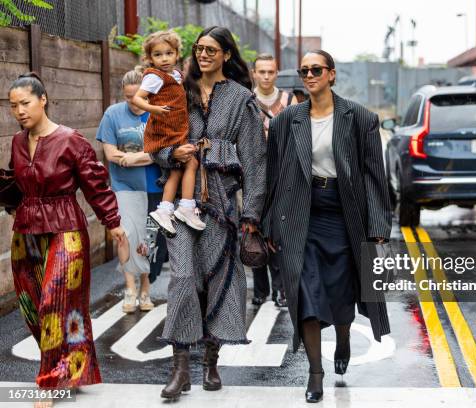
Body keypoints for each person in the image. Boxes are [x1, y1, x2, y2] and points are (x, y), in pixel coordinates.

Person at [263, 50, 392, 403]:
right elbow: (273, 176)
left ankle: (345, 336)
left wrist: (379, 225)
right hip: (301, 215)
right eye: (304, 70)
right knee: (306, 294)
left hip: (344, 215)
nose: (309, 75)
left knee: (341, 293)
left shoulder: (360, 118)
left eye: (316, 69)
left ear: (332, 74)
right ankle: (315, 373)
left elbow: (374, 176)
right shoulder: (286, 121)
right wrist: (268, 222)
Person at [151, 26, 266, 400]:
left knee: (217, 277)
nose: (203, 55)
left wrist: (251, 213)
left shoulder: (242, 99)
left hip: (221, 202)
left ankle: (211, 363)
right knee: (182, 277)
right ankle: (180, 368)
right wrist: (172, 155)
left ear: (226, 55)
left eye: (211, 50)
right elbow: (155, 141)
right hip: (180, 204)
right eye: (199, 49)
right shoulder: (177, 90)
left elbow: (254, 159)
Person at [7, 73, 127, 403]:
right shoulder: (17, 142)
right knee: (32, 307)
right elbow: (18, 185)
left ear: (43, 100)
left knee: (53, 304)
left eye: (25, 103)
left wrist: (113, 224)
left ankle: (50, 381)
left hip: (66, 230)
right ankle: (74, 367)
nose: (19, 111)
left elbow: (96, 186)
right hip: (26, 231)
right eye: (13, 105)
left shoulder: (71, 140)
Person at [97, 67, 164, 313]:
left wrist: (131, 158)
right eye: (128, 97)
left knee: (148, 237)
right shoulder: (113, 115)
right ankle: (129, 288)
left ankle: (145, 288)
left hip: (154, 185)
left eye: (139, 96)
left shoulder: (157, 114)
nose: (134, 102)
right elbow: (110, 153)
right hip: (124, 186)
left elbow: (160, 154)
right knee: (125, 235)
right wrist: (142, 156)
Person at [133, 30, 205, 235]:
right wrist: (153, 109)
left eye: (168, 53)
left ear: (176, 54)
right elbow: (138, 98)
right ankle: (185, 206)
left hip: (176, 128)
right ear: (149, 58)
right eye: (157, 55)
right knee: (190, 162)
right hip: (166, 131)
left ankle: (166, 209)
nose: (164, 59)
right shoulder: (155, 78)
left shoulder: (177, 76)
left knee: (177, 169)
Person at [250, 53, 298, 308]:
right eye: (262, 72)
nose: (266, 76)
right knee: (254, 231)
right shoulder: (246, 101)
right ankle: (260, 290)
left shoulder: (290, 100)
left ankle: (281, 290)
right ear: (254, 74)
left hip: (282, 176)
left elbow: (299, 137)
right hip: (253, 176)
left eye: (271, 71)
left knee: (279, 234)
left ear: (276, 73)